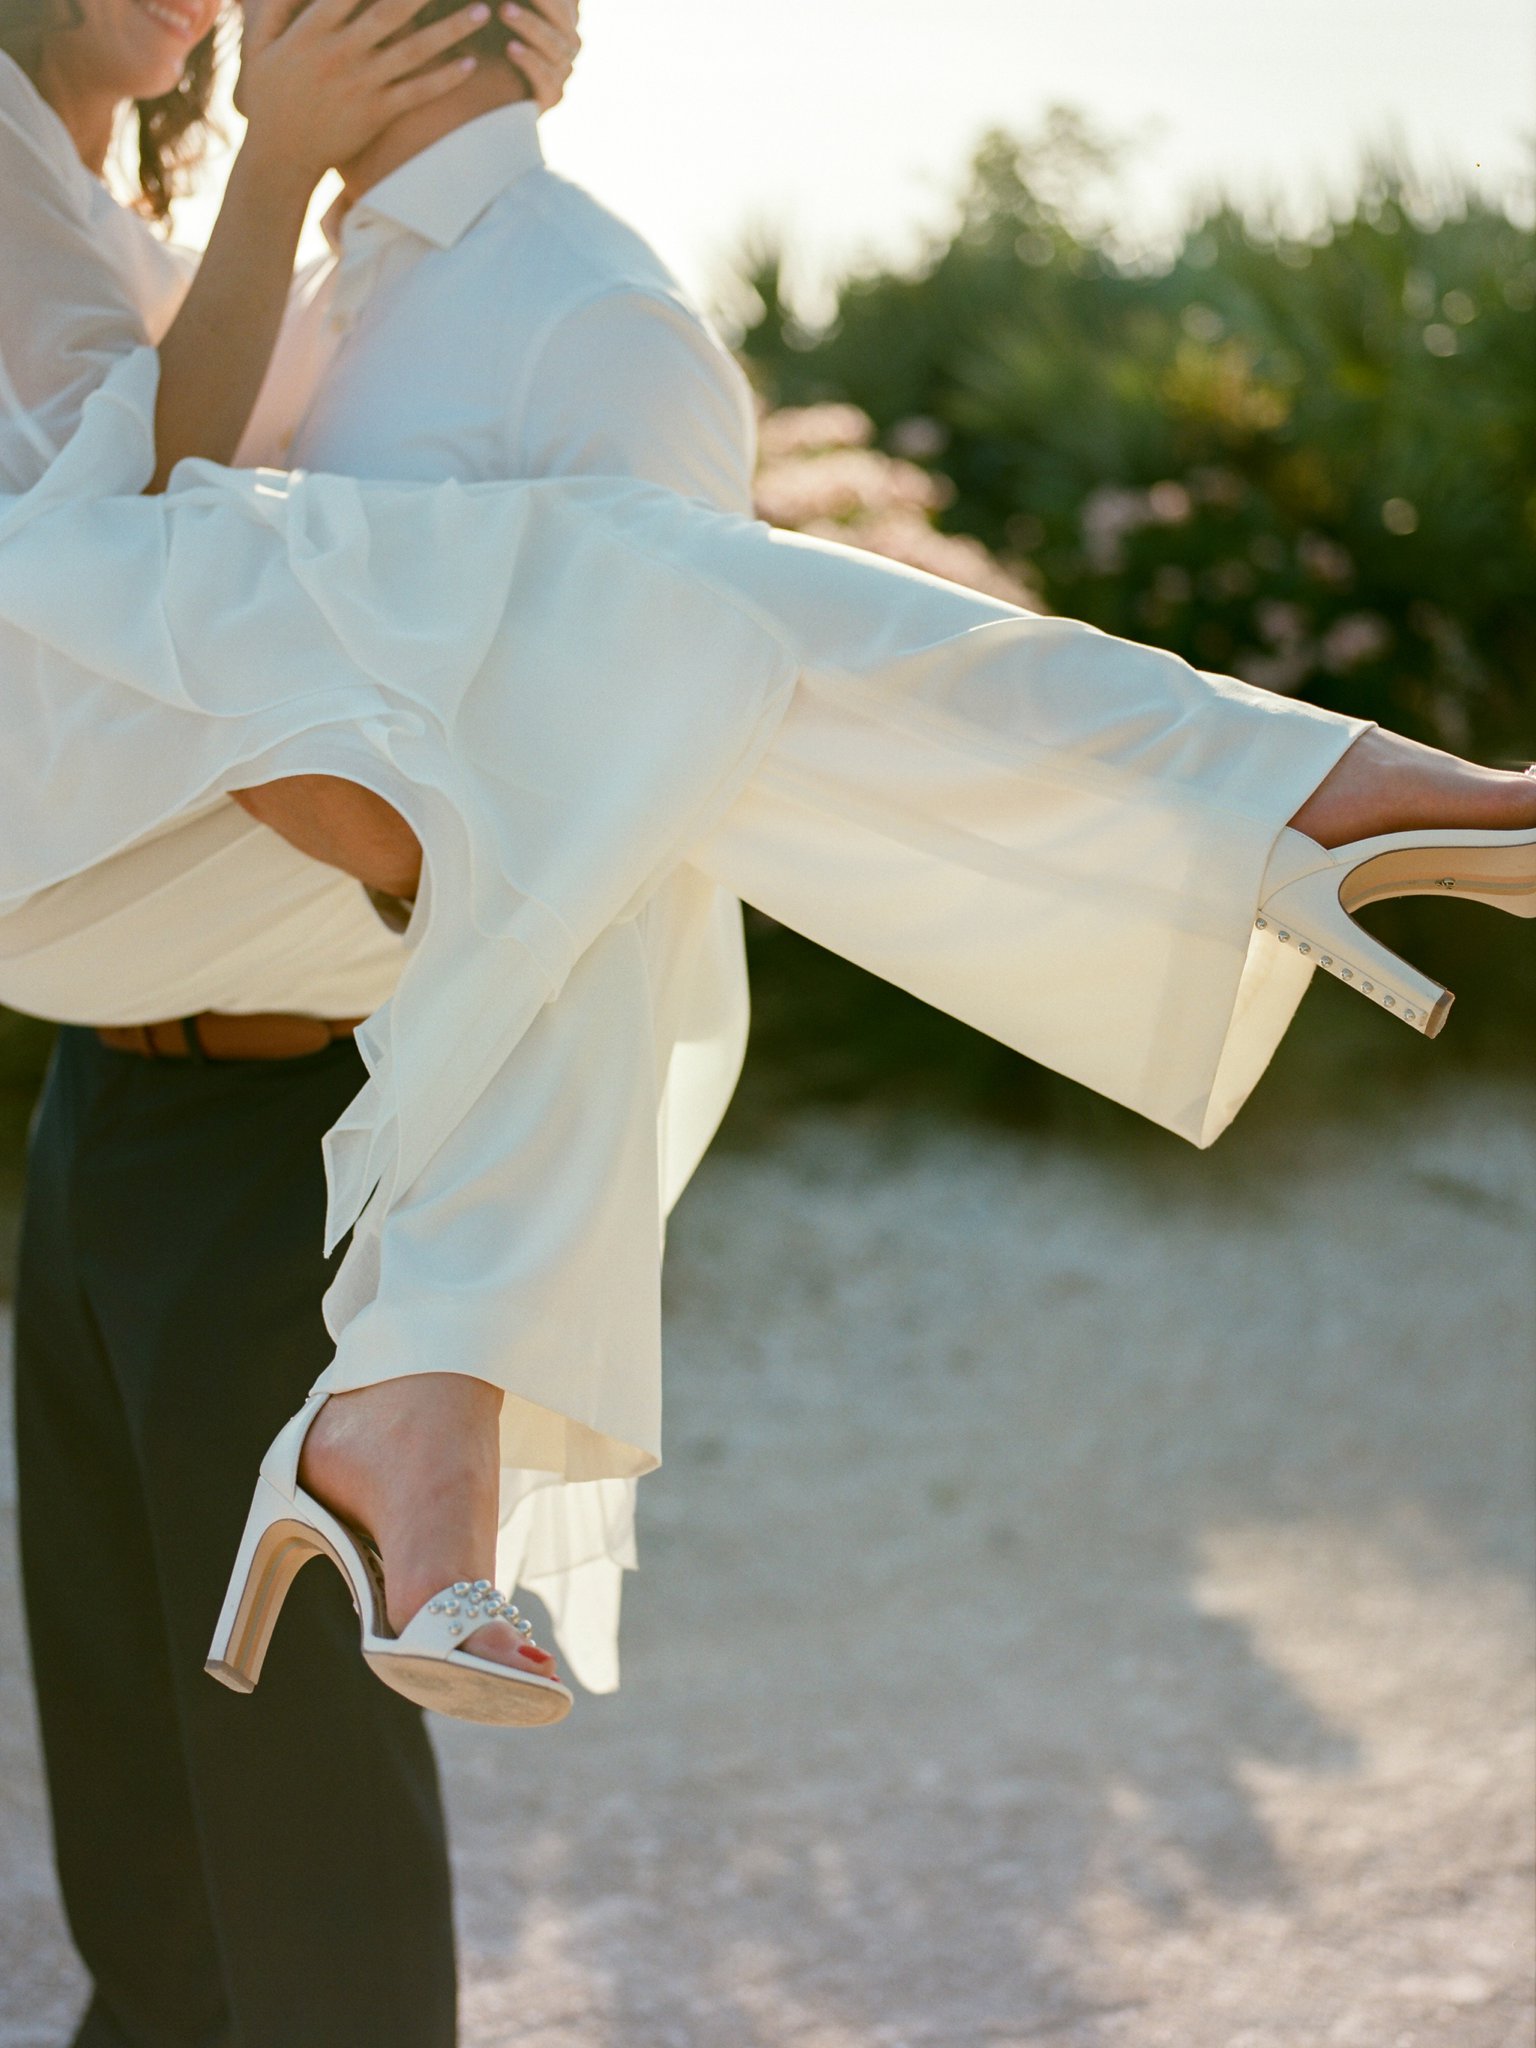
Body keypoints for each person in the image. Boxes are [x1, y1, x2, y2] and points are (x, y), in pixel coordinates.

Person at [2, 0, 1534, 1758]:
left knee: (629, 703)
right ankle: (1304, 795)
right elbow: (121, 508)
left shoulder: (467, 285)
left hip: (138, 759)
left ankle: (415, 1419)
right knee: (642, 655)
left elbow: (190, 469)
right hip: (60, 728)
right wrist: (291, 156)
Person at [0, 1, 581, 2043]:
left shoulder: (97, 198)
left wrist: (388, 173)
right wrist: (278, 175)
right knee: (146, 1846)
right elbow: (115, 559)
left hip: (278, 1124)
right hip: (107, 1116)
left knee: (292, 1827)